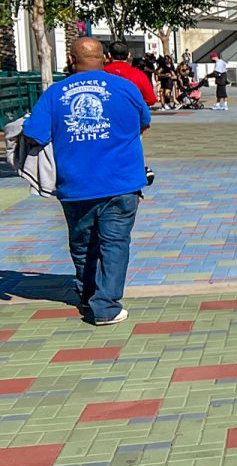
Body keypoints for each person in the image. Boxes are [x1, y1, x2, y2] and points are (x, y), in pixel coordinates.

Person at [21, 37, 152, 325]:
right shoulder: (126, 88)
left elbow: (35, 133)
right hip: (123, 181)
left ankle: (87, 293)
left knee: (82, 245)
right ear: (104, 56)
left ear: (71, 59)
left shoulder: (55, 93)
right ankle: (105, 306)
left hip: (77, 184)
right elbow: (144, 122)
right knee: (114, 243)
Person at [104, 40, 157, 109]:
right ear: (129, 55)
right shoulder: (139, 75)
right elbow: (151, 100)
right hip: (131, 114)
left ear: (109, 55)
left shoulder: (102, 72)